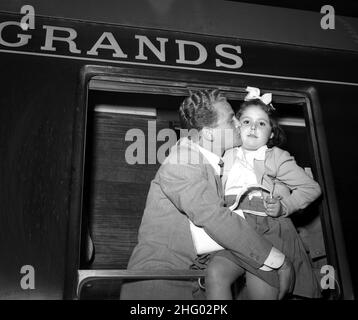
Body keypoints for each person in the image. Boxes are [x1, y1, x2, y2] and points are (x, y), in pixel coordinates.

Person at [120, 89, 294, 300]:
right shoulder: (182, 161)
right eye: (232, 120)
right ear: (209, 132)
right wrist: (279, 260)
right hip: (159, 286)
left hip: (189, 282)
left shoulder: (210, 165)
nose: (240, 124)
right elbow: (214, 218)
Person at [205, 87, 322, 300]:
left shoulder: (276, 156)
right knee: (215, 273)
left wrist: (284, 206)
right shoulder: (226, 154)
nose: (253, 128)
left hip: (265, 229)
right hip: (234, 228)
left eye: (261, 123)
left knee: (258, 287)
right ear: (236, 127)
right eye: (247, 122)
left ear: (271, 133)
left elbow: (311, 188)